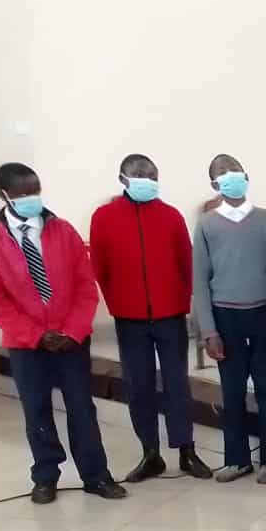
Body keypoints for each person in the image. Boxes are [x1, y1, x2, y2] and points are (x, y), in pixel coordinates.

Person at [0, 163, 126, 503]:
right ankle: (45, 476)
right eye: (23, 193)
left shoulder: (63, 231)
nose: (32, 198)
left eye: (36, 189)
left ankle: (95, 475)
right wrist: (35, 334)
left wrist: (72, 331)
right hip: (27, 344)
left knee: (81, 408)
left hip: (70, 340)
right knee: (36, 409)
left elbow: (85, 287)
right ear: (4, 195)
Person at [90, 153, 212, 481]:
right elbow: (99, 266)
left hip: (170, 314)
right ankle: (150, 453)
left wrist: (184, 302)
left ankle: (186, 450)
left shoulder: (170, 216)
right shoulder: (104, 217)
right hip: (129, 318)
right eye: (139, 175)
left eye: (152, 175)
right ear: (123, 179)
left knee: (177, 385)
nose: (147, 180)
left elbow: (187, 264)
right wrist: (117, 302)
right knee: (139, 385)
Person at [193, 154, 266, 484]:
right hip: (225, 317)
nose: (230, 176)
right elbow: (200, 281)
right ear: (214, 184)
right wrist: (208, 329)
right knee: (232, 393)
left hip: (263, 313)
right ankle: (237, 459)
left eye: (234, 170)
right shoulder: (206, 224)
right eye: (221, 173)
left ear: (246, 175)